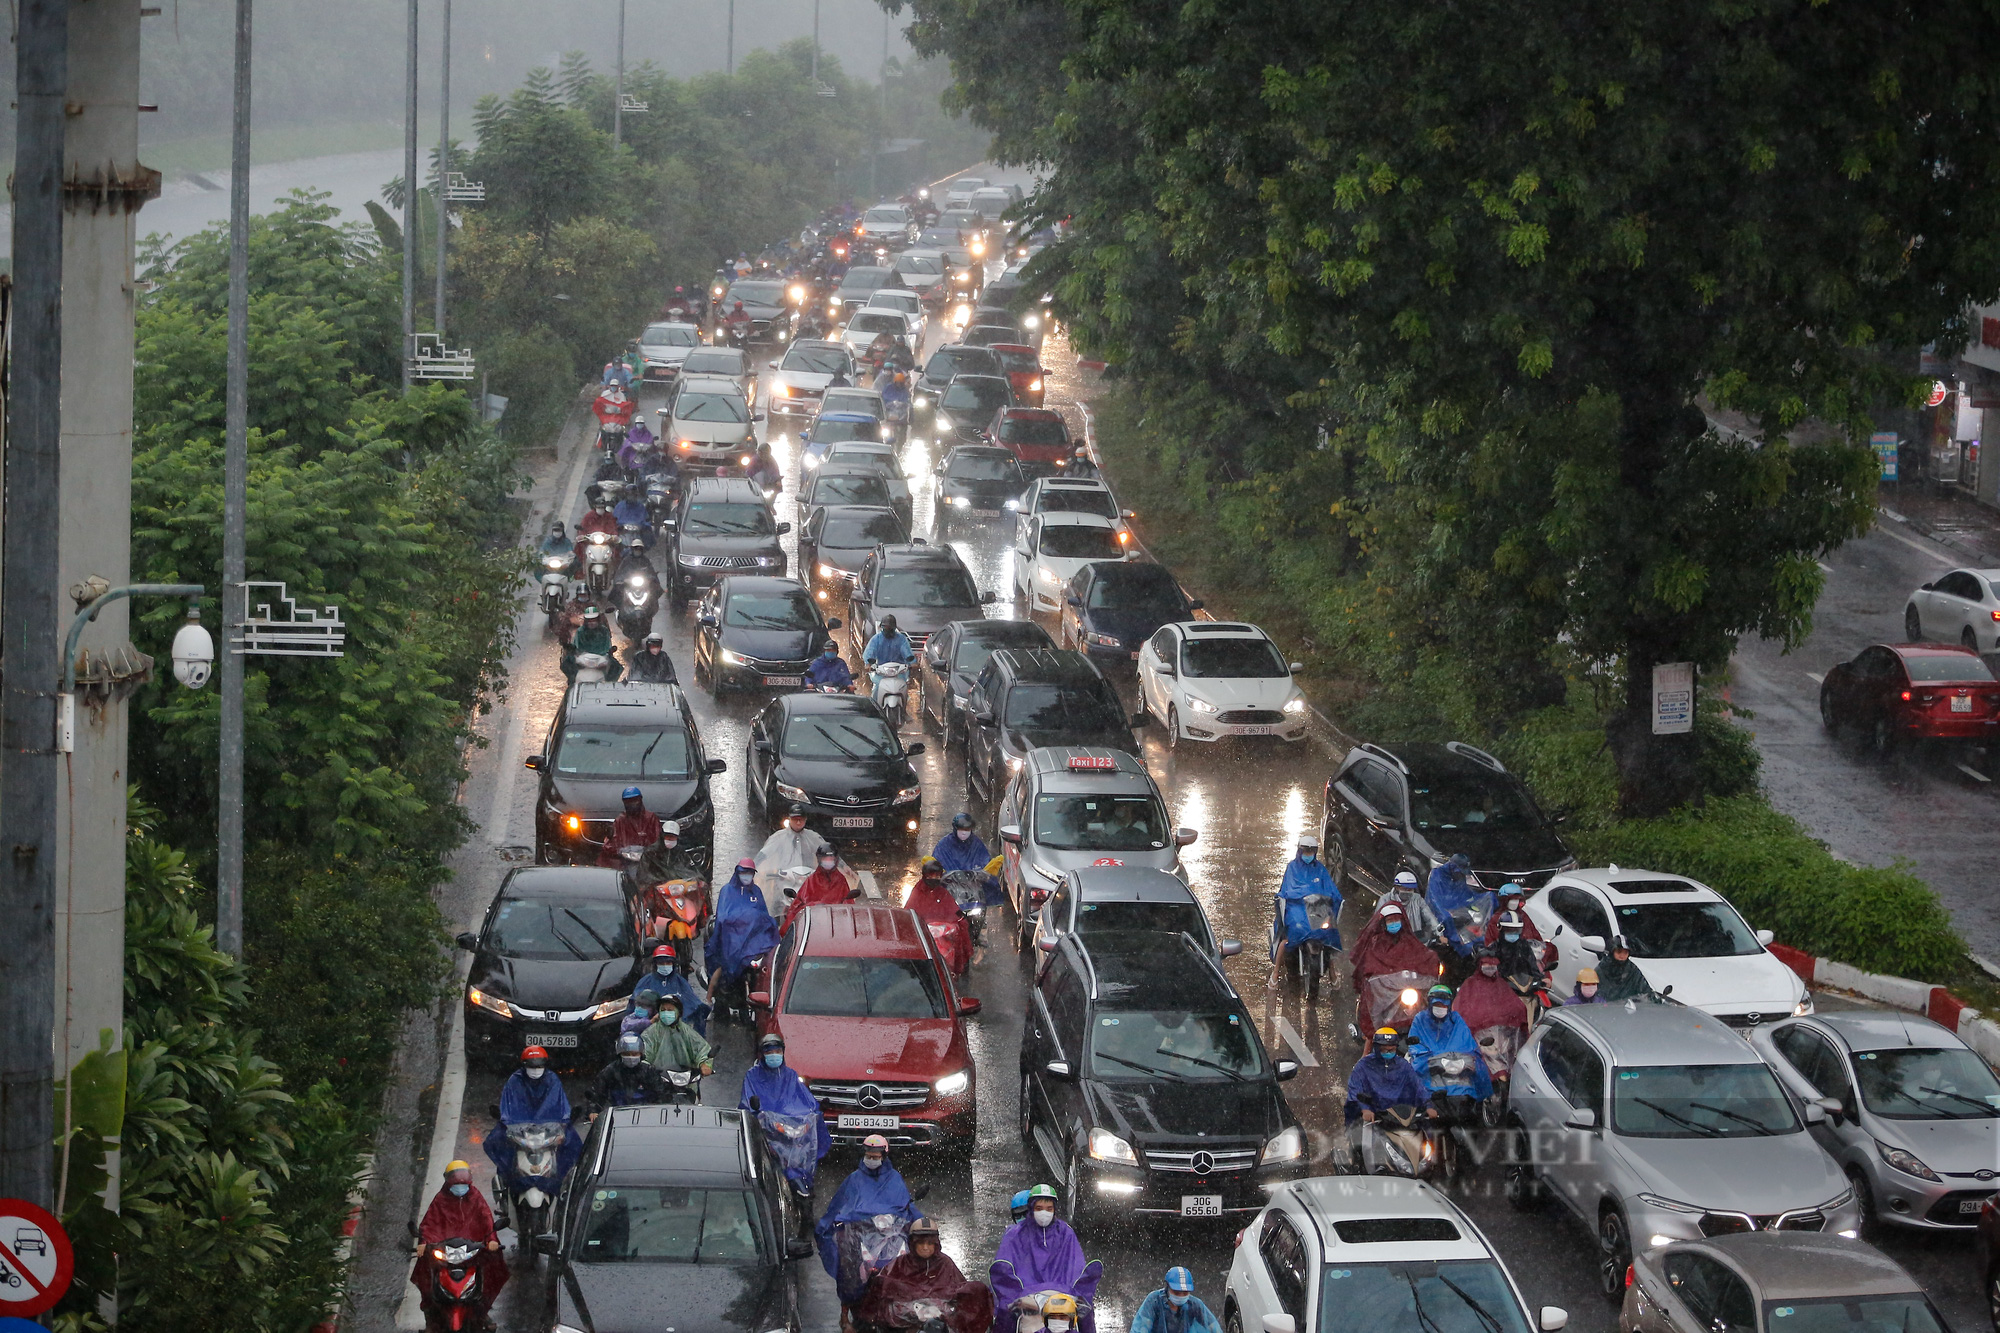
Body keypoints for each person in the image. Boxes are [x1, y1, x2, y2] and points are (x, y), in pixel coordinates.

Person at [816, 1135, 924, 1311]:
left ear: (884, 1156)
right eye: (869, 1156)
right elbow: (839, 1206)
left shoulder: (894, 1179)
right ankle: (848, 1309)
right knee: (848, 1268)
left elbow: (906, 1205)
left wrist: (920, 1221)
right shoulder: (854, 1179)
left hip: (892, 1234)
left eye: (876, 1157)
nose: (871, 1159)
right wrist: (828, 1226)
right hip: (860, 1233)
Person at [410, 1160, 507, 1331]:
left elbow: (486, 1221)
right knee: (425, 1273)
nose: (460, 1187)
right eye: (456, 1183)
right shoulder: (440, 1200)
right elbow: (429, 1225)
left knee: (491, 1271)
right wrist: (424, 1243)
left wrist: (491, 1240)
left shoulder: (476, 1198)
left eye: (464, 1183)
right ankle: (430, 1314)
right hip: (445, 1250)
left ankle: (482, 1310)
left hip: (472, 1251)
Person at [989, 1185, 1101, 1333]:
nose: (1044, 1213)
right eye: (1039, 1208)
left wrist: (1073, 1293)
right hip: (1025, 1297)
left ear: (1055, 1209)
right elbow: (1005, 1268)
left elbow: (1075, 1267)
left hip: (1063, 1294)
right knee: (1006, 1312)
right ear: (1031, 1208)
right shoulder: (1015, 1234)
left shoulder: (1065, 1232)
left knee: (1085, 1310)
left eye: (1049, 1208)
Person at [855, 1217, 994, 1333]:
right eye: (921, 1243)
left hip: (939, 1318)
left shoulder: (944, 1263)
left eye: (929, 1243)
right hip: (906, 1319)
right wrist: (914, 1308)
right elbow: (883, 1288)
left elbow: (957, 1290)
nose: (925, 1247)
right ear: (912, 1243)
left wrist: (938, 1307)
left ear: (936, 1244)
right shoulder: (900, 1263)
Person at [481, 1046, 584, 1201]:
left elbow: (559, 1104)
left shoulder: (552, 1080)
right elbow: (509, 1106)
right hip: (519, 1127)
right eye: (532, 1067)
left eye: (539, 1066)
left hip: (548, 1127)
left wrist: (563, 1123)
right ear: (524, 1066)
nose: (536, 1070)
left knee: (573, 1144)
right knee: (495, 1141)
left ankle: (565, 1185)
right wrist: (507, 1122)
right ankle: (505, 1183)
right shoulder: (515, 1081)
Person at [740, 1033, 830, 1188]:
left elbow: (805, 1098)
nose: (774, 1055)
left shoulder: (790, 1075)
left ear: (783, 1052)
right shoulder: (752, 1075)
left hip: (789, 1126)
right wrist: (759, 1114)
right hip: (766, 1128)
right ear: (762, 1054)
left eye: (777, 1051)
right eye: (769, 1052)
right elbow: (748, 1102)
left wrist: (814, 1110)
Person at [1349, 900, 1442, 1031]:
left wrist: (1433, 959)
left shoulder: (1409, 941)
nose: (1394, 924)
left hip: (1408, 989)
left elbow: (1421, 955)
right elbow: (1370, 966)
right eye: (1390, 921)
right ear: (1383, 924)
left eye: (1396, 920)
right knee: (1372, 1028)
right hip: (1385, 994)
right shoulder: (1375, 944)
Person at [1344, 1028, 1437, 1159]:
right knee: (1360, 1134)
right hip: (1375, 1115)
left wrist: (1428, 1105)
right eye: (1383, 1049)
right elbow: (1355, 1090)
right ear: (1376, 1048)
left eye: (1391, 1049)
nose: (1388, 1053)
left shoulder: (1403, 1066)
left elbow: (1418, 1087)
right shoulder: (1363, 1066)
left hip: (1401, 1116)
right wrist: (1365, 1109)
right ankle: (1359, 1161)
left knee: (1426, 1133)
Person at [1268, 834, 1341, 991]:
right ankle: (1275, 974)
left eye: (1311, 852)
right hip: (1297, 907)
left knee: (1329, 935)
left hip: (1316, 907)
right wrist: (1302, 894)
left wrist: (1332, 900)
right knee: (1289, 935)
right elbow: (1288, 889)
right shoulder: (1292, 868)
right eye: (1305, 851)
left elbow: (1330, 889)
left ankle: (1333, 973)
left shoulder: (1320, 869)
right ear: (1300, 851)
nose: (1308, 855)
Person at [708, 859, 780, 1013]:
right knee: (722, 965)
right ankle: (711, 998)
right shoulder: (727, 891)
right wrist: (741, 919)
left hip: (751, 940)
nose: (746, 876)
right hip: (731, 937)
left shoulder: (756, 891)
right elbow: (723, 916)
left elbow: (762, 914)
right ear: (738, 872)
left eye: (749, 873)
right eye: (743, 872)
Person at [1406, 983, 1494, 1103]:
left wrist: (1469, 1054)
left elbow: (1466, 1041)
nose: (1440, 1007)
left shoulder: (1456, 1019)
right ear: (1430, 1003)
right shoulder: (1420, 1019)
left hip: (1455, 1060)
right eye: (1437, 1004)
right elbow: (1415, 1045)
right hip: (1429, 1060)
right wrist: (1430, 1056)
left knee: (1479, 1066)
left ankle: (1484, 1100)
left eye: (1443, 1005)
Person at [904, 857, 972, 975]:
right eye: (931, 876)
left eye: (937, 876)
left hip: (943, 933)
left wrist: (960, 917)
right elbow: (910, 910)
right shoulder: (918, 892)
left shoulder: (942, 892)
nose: (934, 879)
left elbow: (951, 907)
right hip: (924, 931)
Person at [1425, 853, 1494, 967]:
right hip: (1443, 913)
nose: (1462, 875)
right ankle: (1461, 948)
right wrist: (1446, 915)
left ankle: (1480, 943)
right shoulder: (1436, 875)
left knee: (1478, 918)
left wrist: (1481, 899)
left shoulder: (1458, 876)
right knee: (1451, 927)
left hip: (1458, 910)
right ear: (1452, 867)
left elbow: (1465, 893)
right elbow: (1434, 900)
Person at [781, 843, 859, 935]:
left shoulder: (841, 880)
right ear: (819, 860)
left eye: (831, 859)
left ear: (836, 860)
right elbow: (799, 903)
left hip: (835, 926)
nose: (828, 862)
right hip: (812, 926)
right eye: (825, 859)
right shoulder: (812, 880)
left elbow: (848, 906)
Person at [1453, 947, 1529, 1042]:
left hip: (1502, 1036)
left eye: (1492, 965)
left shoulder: (1501, 983)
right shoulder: (1470, 984)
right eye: (1486, 964)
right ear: (1480, 965)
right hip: (1478, 1037)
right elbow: (1462, 1010)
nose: (1490, 967)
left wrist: (1507, 1022)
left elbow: (1514, 1005)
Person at [633, 943, 712, 1034]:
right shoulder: (645, 981)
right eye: (661, 963)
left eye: (668, 963)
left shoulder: (681, 982)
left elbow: (693, 1003)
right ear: (655, 964)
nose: (665, 965)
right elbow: (634, 1007)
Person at [588, 1032, 671, 1113]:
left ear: (641, 1054)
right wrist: (593, 1111)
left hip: (645, 1113)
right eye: (626, 1054)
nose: (631, 1057)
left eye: (634, 1054)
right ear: (619, 1054)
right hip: (617, 1113)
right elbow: (597, 1092)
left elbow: (661, 1094)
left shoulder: (648, 1071)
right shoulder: (610, 1071)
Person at [640, 993, 714, 1076]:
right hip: (658, 1080)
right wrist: (645, 1067)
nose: (666, 1013)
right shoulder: (651, 1032)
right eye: (663, 1010)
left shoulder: (687, 1032)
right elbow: (644, 1053)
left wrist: (704, 1064)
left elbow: (701, 1049)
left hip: (685, 1080)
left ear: (678, 1012)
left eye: (670, 1010)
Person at [1128, 1268, 1223, 1333]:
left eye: (1185, 1293)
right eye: (1177, 1292)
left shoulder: (1195, 1305)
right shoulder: (1154, 1301)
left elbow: (1213, 1327)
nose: (1181, 1296)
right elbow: (1140, 1328)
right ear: (1167, 1288)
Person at [757, 805, 832, 881]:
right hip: (785, 880)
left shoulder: (813, 837)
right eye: (795, 819)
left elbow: (827, 851)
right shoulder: (778, 837)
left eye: (801, 819)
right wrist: (752, 866)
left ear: (805, 819)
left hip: (807, 880)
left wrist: (841, 865)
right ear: (789, 819)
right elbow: (764, 853)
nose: (798, 822)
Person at [600, 786, 663, 869]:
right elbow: (610, 846)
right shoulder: (620, 820)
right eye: (628, 801)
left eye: (634, 800)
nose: (632, 804)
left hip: (648, 863)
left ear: (640, 799)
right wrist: (621, 852)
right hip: (624, 863)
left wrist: (645, 853)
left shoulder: (651, 818)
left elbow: (658, 843)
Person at [1382, 869, 1445, 943]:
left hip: (1415, 941)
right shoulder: (1385, 900)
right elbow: (1377, 923)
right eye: (1405, 889)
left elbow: (1430, 918)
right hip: (1393, 942)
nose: (1408, 892)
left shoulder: (1417, 900)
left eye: (1410, 889)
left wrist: (1439, 934)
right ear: (1397, 887)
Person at [562, 606, 623, 681]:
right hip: (582, 658)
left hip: (601, 658)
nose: (591, 622)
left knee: (617, 667)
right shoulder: (580, 631)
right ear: (586, 620)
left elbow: (607, 646)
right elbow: (577, 646)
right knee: (566, 664)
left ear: (598, 619)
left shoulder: (604, 631)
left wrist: (609, 652)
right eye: (589, 620)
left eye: (594, 619)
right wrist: (573, 650)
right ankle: (571, 683)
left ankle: (610, 684)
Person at [1491, 910, 1546, 982]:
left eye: (1516, 930)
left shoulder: (1523, 946)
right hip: (1501, 986)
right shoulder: (1495, 947)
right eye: (1509, 930)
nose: (1513, 933)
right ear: (1500, 929)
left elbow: (1533, 966)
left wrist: (1541, 979)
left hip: (1522, 988)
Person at [931, 812, 992, 877]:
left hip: (972, 884)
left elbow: (985, 866)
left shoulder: (976, 844)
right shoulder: (944, 845)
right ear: (955, 828)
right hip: (948, 884)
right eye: (961, 829)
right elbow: (935, 866)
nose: (964, 832)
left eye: (967, 829)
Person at [1592, 935, 1650, 1001]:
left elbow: (1645, 990)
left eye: (1625, 952)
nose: (1622, 956)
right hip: (1606, 1008)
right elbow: (1593, 994)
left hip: (1628, 1008)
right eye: (1619, 952)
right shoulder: (1602, 969)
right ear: (1612, 952)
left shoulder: (1632, 970)